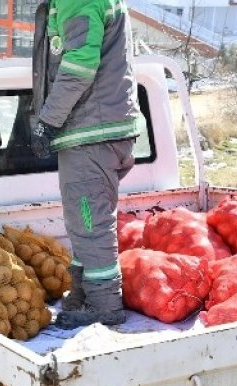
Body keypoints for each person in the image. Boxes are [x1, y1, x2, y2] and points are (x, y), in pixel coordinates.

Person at [30, 0, 141, 328]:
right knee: (84, 221)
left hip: (92, 132)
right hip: (100, 128)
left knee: (90, 223)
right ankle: (83, 294)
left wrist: (48, 121)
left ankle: (104, 304)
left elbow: (79, 64)